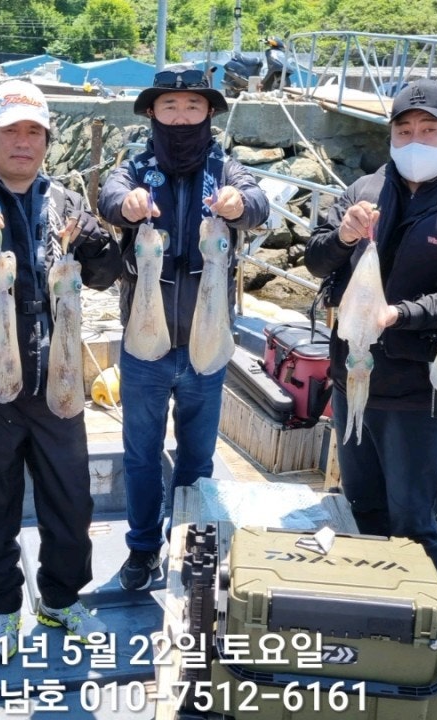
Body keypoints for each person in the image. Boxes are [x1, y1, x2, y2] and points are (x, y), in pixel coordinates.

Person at [0, 79, 122, 658]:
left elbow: (106, 275)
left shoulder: (66, 202)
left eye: (33, 131)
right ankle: (3, 608)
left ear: (46, 141)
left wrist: (98, 242)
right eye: (10, 130)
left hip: (56, 374)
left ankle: (59, 599)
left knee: (71, 498)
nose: (22, 142)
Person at [305, 79, 437, 575]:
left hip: (418, 389)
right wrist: (342, 237)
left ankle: (424, 611)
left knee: (412, 519)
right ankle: (368, 597)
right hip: (350, 374)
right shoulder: (363, 190)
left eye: (430, 130)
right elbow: (316, 261)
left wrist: (399, 315)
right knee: (360, 503)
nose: (415, 141)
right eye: (404, 131)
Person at [98, 64, 269, 591]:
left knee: (198, 457)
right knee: (140, 454)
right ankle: (143, 547)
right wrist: (126, 205)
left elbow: (258, 204)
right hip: (144, 348)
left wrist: (240, 205)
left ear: (208, 113)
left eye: (192, 106)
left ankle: (190, 544)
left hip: (207, 344)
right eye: (169, 106)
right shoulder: (134, 167)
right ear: (152, 111)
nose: (180, 115)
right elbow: (109, 197)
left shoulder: (227, 169)